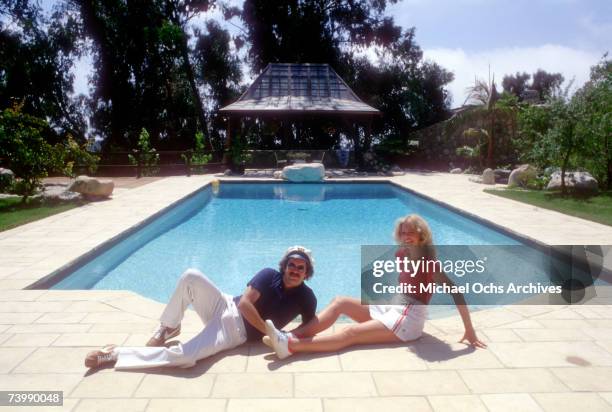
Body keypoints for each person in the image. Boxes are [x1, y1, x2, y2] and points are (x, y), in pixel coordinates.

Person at [264, 215, 486, 359]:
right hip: (393, 310)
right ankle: (286, 336)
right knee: (340, 301)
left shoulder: (428, 262)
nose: (406, 236)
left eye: (411, 232)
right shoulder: (402, 253)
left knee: (350, 333)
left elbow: (456, 291)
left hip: (408, 322)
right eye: (403, 232)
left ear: (421, 235)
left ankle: (291, 347)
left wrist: (469, 330)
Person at [85, 246, 318, 369]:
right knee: (191, 276)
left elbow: (312, 324)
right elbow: (246, 304)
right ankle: (168, 327)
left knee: (185, 358)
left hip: (234, 333)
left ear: (307, 273)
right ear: (284, 266)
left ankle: (115, 354)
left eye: (301, 267)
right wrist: (271, 332)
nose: (295, 270)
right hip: (226, 304)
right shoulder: (269, 274)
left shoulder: (307, 298)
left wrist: (290, 337)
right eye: (291, 265)